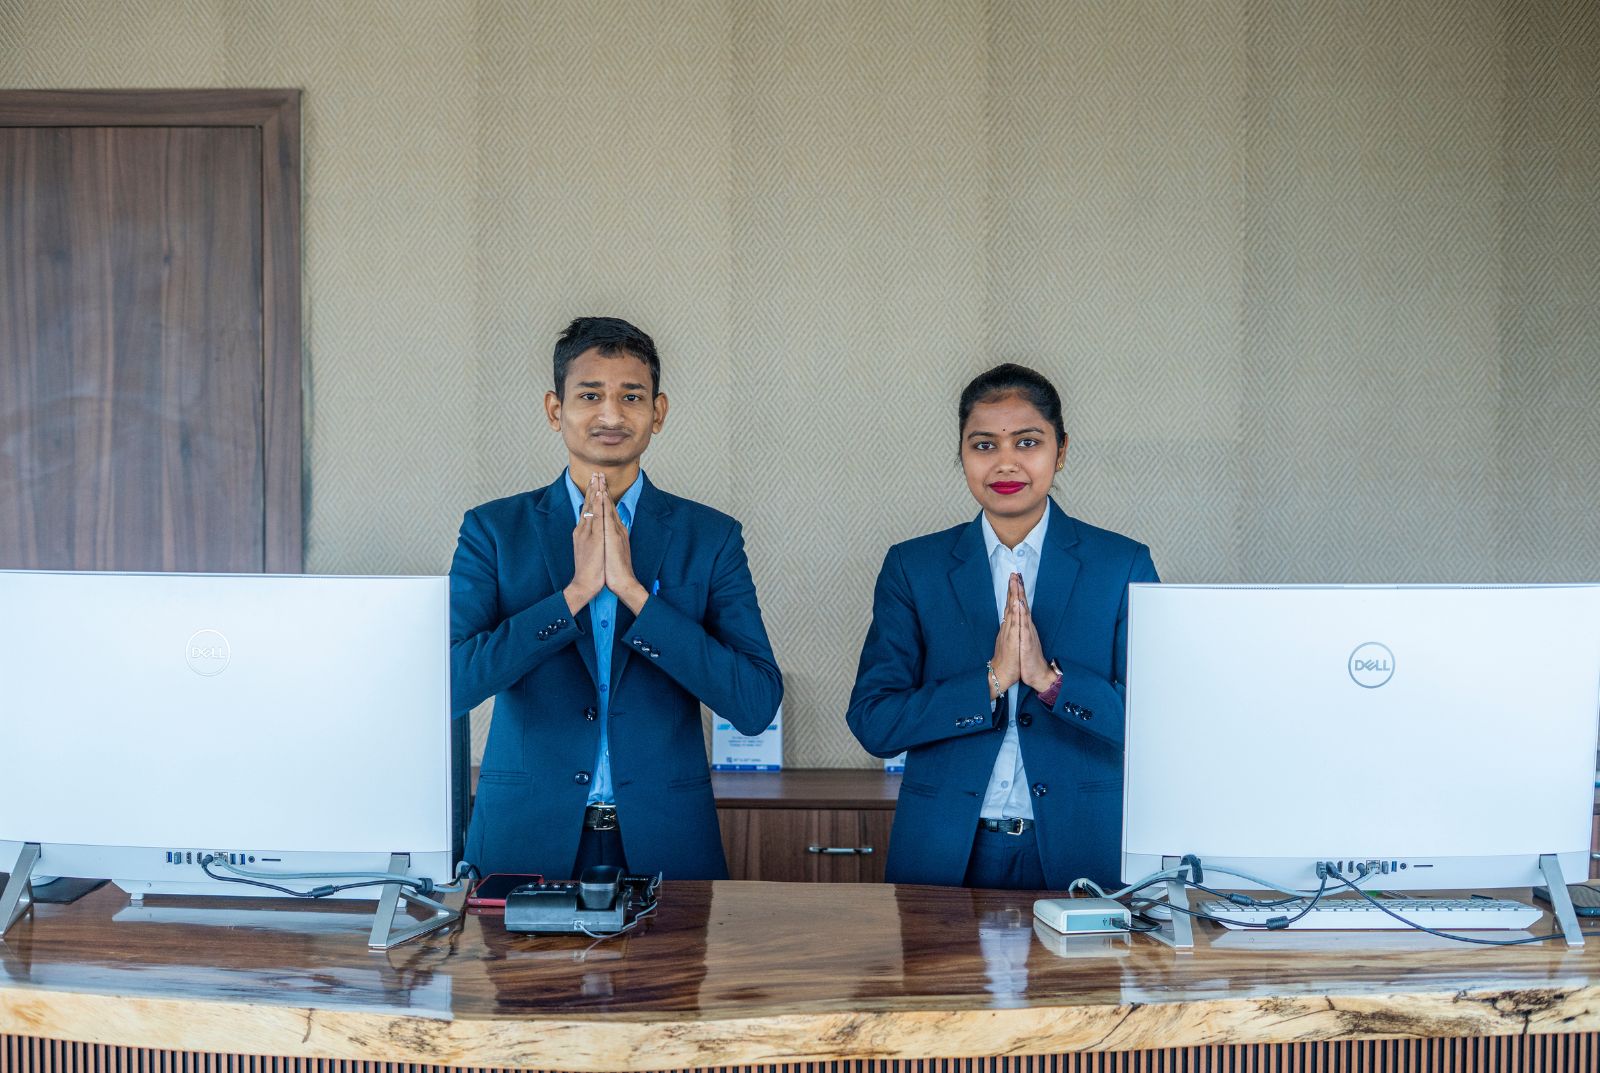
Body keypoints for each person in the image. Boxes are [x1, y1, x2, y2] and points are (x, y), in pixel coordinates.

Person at [449, 316, 782, 881]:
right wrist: (574, 595)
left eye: (631, 396)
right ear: (556, 410)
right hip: (523, 837)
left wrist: (634, 594)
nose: (610, 414)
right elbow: (450, 686)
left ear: (659, 412)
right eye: (589, 395)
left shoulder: (711, 536)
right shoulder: (494, 530)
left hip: (667, 841)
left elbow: (753, 704)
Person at [846, 363, 1158, 890]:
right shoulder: (913, 567)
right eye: (984, 445)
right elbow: (875, 722)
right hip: (946, 852)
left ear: (1060, 451)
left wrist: (1050, 682)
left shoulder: (1121, 565)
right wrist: (989, 681)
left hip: (1083, 851)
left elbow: (1158, 726)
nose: (1005, 463)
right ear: (962, 454)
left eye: (1028, 442)